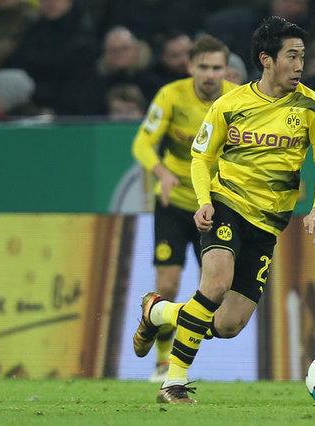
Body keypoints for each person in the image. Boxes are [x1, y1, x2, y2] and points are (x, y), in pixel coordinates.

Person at [133, 15, 315, 403]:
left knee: (228, 325)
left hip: (268, 225)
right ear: (266, 60)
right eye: (291, 56)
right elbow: (201, 157)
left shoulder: (313, 106)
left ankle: (157, 313)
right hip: (227, 205)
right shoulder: (230, 104)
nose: (299, 65)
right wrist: (205, 201)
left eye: (302, 57)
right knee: (214, 285)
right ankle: (173, 383)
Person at [131, 34, 237, 383]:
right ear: (190, 66)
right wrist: (162, 173)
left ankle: (157, 314)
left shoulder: (237, 99)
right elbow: (142, 143)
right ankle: (164, 364)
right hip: (174, 203)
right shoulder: (171, 95)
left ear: (226, 69)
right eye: (203, 67)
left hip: (216, 205)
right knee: (169, 283)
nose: (210, 75)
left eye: (216, 68)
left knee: (218, 299)